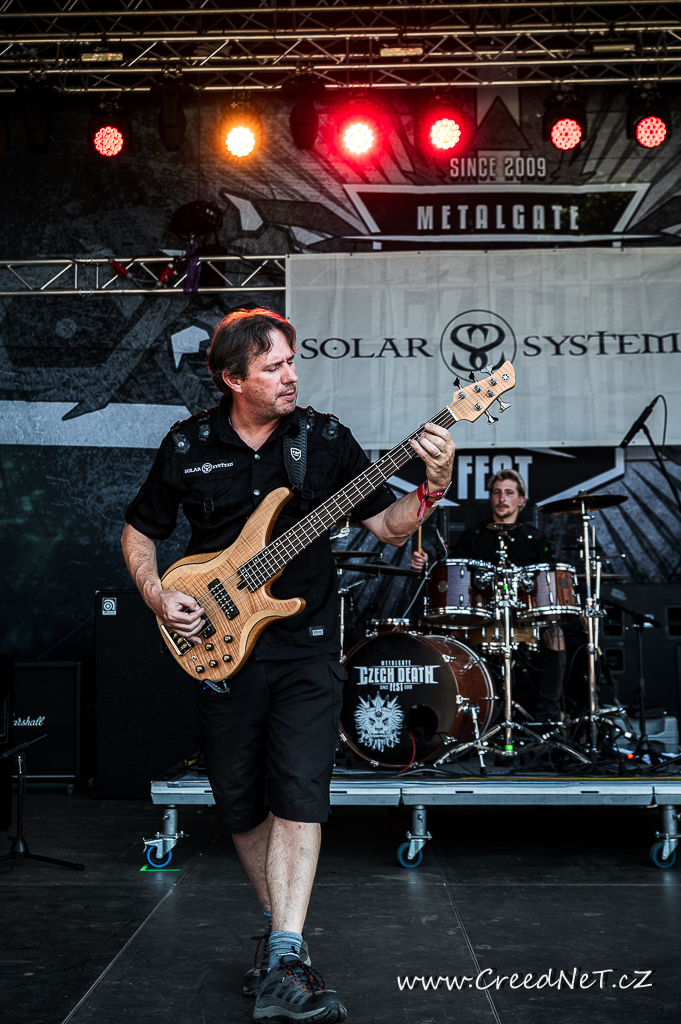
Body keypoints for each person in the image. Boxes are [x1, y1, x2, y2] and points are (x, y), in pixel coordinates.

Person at [121, 308, 454, 1023]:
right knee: (240, 803)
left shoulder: (323, 440)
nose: (290, 376)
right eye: (273, 367)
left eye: (292, 362)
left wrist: (431, 485)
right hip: (218, 646)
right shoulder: (188, 444)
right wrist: (155, 595)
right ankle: (283, 948)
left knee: (298, 795)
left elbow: (386, 525)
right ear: (231, 378)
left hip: (305, 645)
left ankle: (283, 952)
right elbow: (140, 531)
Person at [411, 469, 565, 723]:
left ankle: (548, 717)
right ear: (491, 498)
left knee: (556, 633)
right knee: (453, 633)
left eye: (509, 493)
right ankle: (464, 716)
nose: (502, 498)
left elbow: (549, 587)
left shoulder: (537, 540)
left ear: (521, 500)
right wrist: (427, 564)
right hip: (482, 617)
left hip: (524, 617)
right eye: (496, 492)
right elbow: (452, 573)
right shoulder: (473, 536)